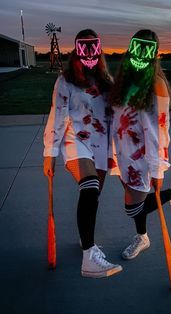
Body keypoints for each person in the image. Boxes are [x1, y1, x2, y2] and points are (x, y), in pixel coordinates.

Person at [43, 29, 122, 278]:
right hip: (74, 140)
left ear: (99, 52)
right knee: (88, 188)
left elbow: (114, 114)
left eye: (93, 49)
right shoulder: (65, 81)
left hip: (100, 145)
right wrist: (49, 153)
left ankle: (85, 239)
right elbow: (56, 115)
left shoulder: (105, 80)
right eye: (84, 48)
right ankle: (89, 258)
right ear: (77, 50)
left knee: (93, 197)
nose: (89, 54)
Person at [108, 29, 171, 260]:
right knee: (138, 201)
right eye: (138, 47)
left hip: (143, 159)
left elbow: (160, 131)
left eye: (147, 49)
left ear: (155, 54)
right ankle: (142, 237)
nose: (141, 54)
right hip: (123, 156)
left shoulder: (156, 85)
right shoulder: (124, 81)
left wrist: (157, 168)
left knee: (133, 207)